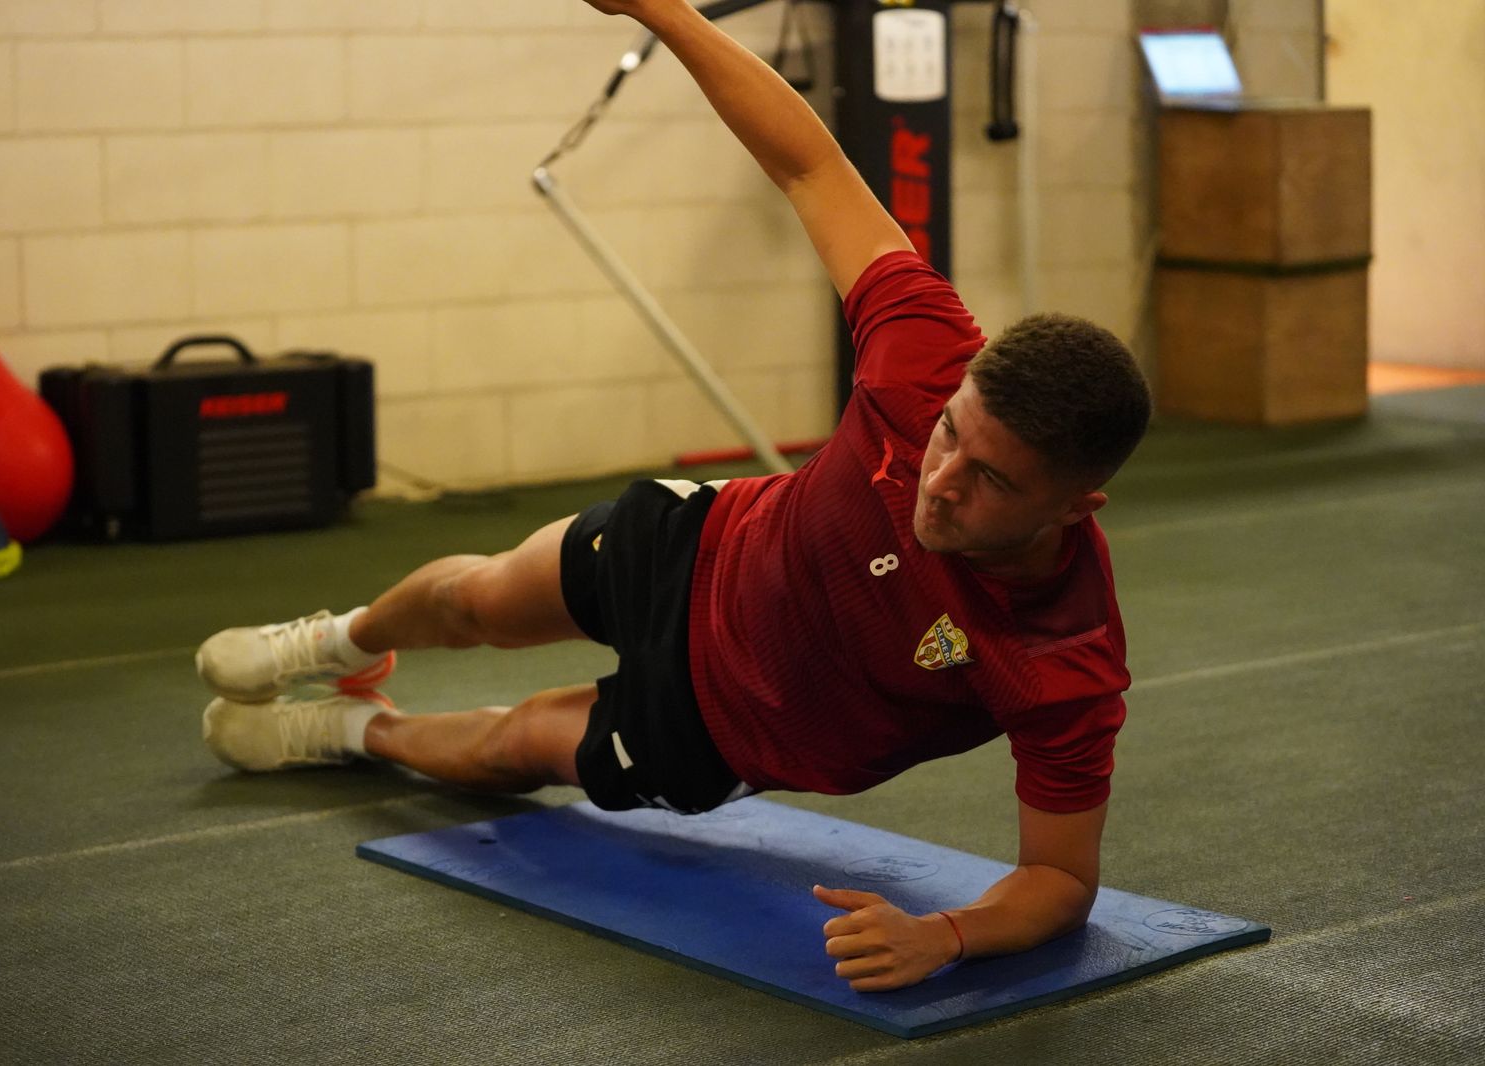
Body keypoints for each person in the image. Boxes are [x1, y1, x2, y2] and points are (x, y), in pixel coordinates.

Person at [197, 0, 1150, 993]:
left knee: (511, 743)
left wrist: (947, 934)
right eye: (949, 433)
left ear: (1076, 508)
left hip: (716, 727)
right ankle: (339, 641)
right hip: (698, 547)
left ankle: (347, 731)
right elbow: (810, 165)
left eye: (992, 479)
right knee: (473, 599)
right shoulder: (922, 352)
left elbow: (1057, 875)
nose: (940, 483)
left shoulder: (1064, 661)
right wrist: (663, 10)